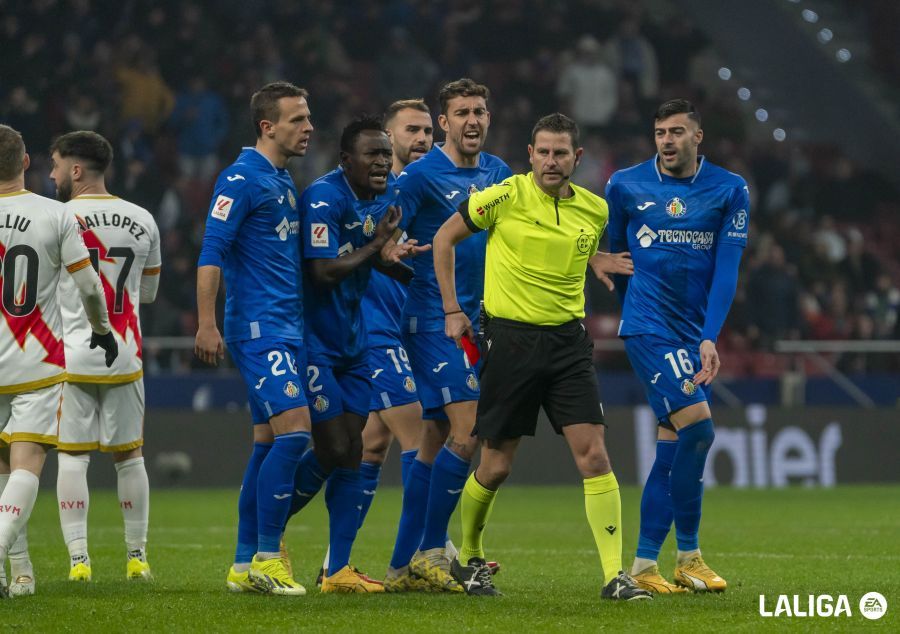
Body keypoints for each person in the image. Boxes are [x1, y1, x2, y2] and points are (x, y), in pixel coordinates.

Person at [432, 113, 649, 601]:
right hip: (510, 342)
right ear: (530, 155)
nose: (551, 161)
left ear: (577, 157)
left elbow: (569, 245)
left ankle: (614, 575)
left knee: (595, 455)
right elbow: (444, 238)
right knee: (496, 466)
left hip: (568, 344)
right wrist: (451, 309)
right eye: (543, 152)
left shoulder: (594, 209)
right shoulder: (503, 196)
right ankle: (470, 557)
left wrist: (595, 258)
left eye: (560, 153)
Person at [606, 99, 749, 594]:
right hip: (649, 328)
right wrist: (633, 313)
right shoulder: (624, 184)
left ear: (697, 136)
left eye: (677, 132)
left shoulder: (730, 189)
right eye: (660, 132)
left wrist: (708, 336)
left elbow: (727, 269)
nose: (667, 140)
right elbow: (614, 257)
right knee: (700, 429)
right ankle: (689, 556)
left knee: (673, 448)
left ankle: (646, 565)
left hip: (692, 333)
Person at [291, 115, 425, 593]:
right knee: (334, 447)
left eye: (386, 154)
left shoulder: (385, 200)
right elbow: (324, 271)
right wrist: (378, 245)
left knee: (352, 453)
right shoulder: (323, 198)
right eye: (373, 154)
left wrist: (404, 268)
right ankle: (267, 529)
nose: (383, 162)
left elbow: (374, 260)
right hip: (315, 343)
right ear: (346, 160)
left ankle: (338, 570)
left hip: (353, 342)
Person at [392, 78, 512, 591]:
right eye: (461, 113)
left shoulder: (499, 172)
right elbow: (383, 227)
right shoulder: (420, 176)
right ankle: (432, 552)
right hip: (432, 320)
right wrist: (389, 247)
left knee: (435, 440)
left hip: (480, 323)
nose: (472, 121)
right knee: (468, 430)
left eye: (479, 111)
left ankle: (402, 566)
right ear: (444, 122)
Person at [194, 81, 314, 596]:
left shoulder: (281, 179)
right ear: (268, 126)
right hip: (260, 330)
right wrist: (207, 322)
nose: (308, 128)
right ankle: (269, 558)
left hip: (288, 328)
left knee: (267, 445)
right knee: (296, 434)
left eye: (308, 117)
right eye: (297, 119)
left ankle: (244, 565)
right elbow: (211, 251)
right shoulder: (240, 178)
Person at [0, 124, 117, 598]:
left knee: (3, 468)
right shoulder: (56, 214)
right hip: (36, 361)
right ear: (26, 162)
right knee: (26, 463)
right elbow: (89, 285)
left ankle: (21, 572)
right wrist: (102, 330)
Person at [51, 131, 161, 584]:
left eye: (57, 166)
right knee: (130, 456)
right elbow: (148, 293)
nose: (52, 174)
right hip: (124, 354)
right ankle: (137, 557)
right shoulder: (143, 218)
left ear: (76, 170)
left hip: (69, 355)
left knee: (72, 458)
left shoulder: (56, 218)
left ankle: (79, 561)